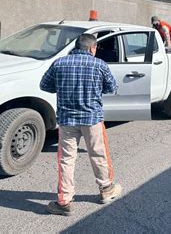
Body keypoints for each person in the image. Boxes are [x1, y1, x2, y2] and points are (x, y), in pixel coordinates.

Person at [40, 34, 122, 216]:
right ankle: (106, 190)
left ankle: (64, 201)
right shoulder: (100, 64)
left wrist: (61, 85)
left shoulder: (59, 63)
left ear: (76, 47)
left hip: (67, 120)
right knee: (99, 155)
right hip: (92, 119)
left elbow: (44, 86)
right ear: (92, 48)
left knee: (66, 160)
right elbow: (111, 88)